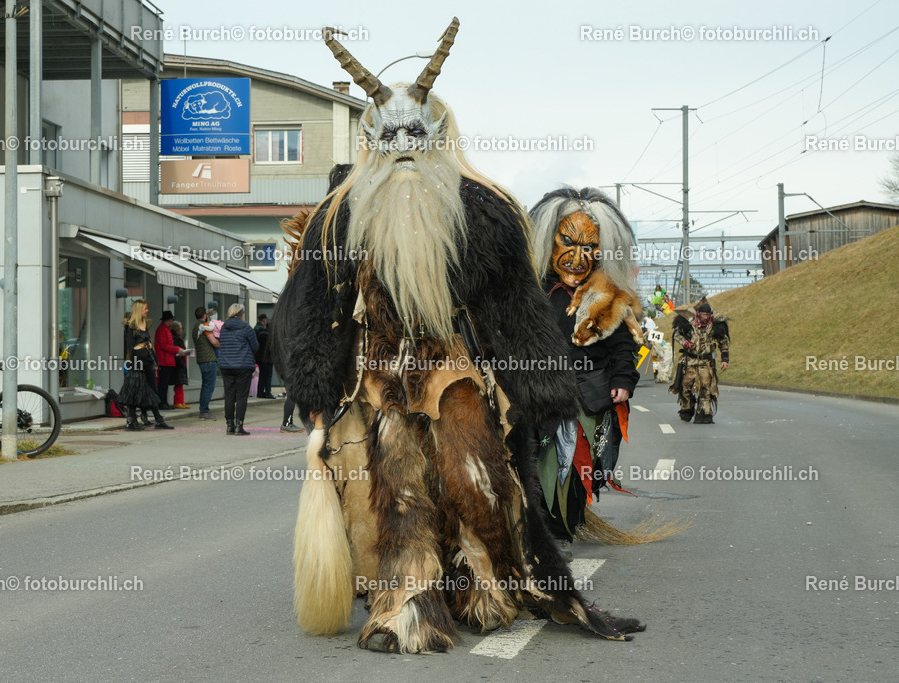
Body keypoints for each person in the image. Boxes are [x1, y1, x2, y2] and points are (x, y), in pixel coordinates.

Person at [274, 20, 642, 655]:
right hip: (377, 376)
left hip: (455, 371)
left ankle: (485, 582)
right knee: (392, 491)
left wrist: (538, 385)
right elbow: (311, 306)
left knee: (476, 480)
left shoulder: (484, 210)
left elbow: (511, 305)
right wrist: (312, 384)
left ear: (437, 132)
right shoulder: (339, 218)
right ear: (370, 137)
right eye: (388, 135)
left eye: (415, 132)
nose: (403, 147)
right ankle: (406, 603)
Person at [530, 186, 643, 557]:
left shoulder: (606, 295)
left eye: (590, 247)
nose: (578, 258)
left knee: (576, 468)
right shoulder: (532, 292)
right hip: (537, 395)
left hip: (586, 397)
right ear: (549, 241)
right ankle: (537, 528)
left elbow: (623, 345)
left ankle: (563, 529)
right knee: (537, 463)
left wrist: (624, 382)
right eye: (568, 242)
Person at [670, 298, 730, 424]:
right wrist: (686, 343)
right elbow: (676, 335)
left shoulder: (715, 326)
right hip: (689, 361)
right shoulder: (688, 324)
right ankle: (687, 409)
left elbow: (723, 343)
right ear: (698, 314)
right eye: (704, 315)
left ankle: (704, 414)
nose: (706, 317)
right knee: (685, 387)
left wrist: (725, 360)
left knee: (706, 389)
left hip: (706, 363)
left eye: (708, 315)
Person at [117, 299, 173, 430]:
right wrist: (131, 361)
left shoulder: (145, 323)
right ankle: (132, 420)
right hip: (137, 360)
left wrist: (155, 361)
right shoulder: (131, 326)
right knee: (134, 388)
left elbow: (150, 343)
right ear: (139, 310)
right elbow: (130, 346)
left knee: (152, 388)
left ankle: (158, 420)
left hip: (148, 358)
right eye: (145, 309)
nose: (147, 311)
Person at [218, 303, 258, 435]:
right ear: (241, 314)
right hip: (242, 365)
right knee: (241, 396)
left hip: (226, 365)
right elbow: (255, 346)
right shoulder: (246, 328)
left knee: (229, 395)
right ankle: (239, 426)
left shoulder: (224, 328)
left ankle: (229, 425)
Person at [191, 306, 219, 420]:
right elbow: (214, 342)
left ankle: (203, 410)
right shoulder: (204, 326)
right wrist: (222, 344)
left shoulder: (195, 327)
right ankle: (204, 411)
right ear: (205, 316)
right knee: (209, 386)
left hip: (202, 360)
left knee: (205, 386)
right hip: (209, 360)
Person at [153, 311, 178, 410]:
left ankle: (164, 402)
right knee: (163, 383)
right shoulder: (163, 330)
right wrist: (176, 349)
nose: (172, 321)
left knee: (164, 383)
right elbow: (164, 346)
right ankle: (161, 402)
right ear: (169, 320)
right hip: (164, 360)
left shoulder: (164, 329)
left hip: (166, 360)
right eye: (172, 319)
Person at [170, 320, 190, 409]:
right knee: (179, 383)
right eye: (181, 328)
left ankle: (181, 401)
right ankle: (178, 401)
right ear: (178, 329)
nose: (182, 330)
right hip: (179, 363)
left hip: (180, 362)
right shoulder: (176, 338)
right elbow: (177, 351)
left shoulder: (177, 338)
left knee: (180, 383)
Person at [253, 314, 274, 398]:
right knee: (268, 376)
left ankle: (260, 392)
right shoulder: (269, 336)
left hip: (259, 357)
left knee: (261, 376)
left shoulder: (257, 330)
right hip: (268, 358)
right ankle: (268, 392)